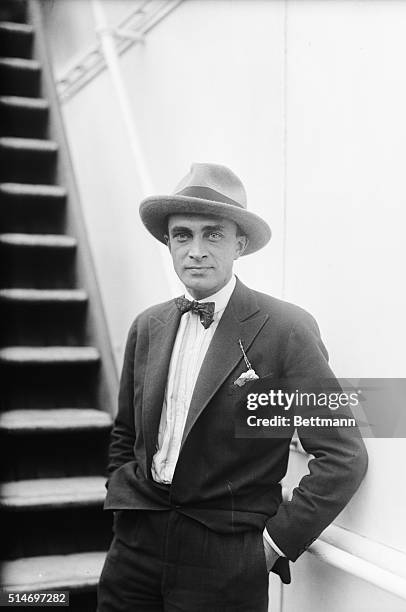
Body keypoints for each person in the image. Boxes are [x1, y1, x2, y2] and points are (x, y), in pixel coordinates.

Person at [97, 163, 368, 612]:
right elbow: (126, 434)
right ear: (168, 243)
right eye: (182, 235)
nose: (196, 250)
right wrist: (124, 505)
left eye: (213, 235)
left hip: (224, 557)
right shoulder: (148, 326)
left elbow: (344, 455)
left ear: (239, 244)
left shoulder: (285, 329)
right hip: (135, 547)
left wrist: (272, 544)